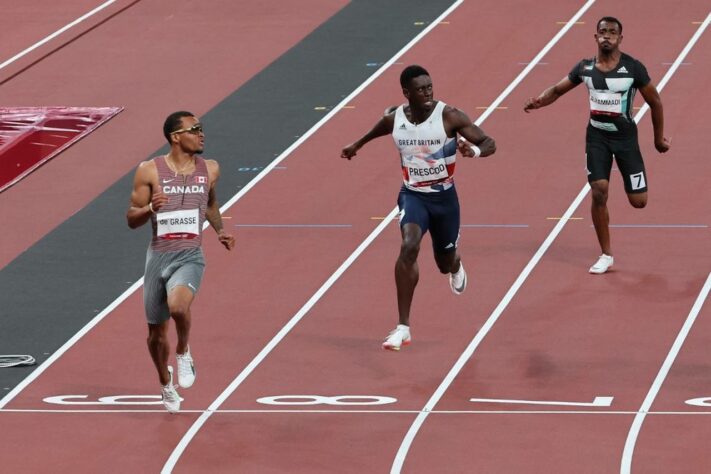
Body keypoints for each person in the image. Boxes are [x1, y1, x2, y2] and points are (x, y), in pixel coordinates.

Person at [341, 65, 496, 351]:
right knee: (408, 246)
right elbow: (381, 127)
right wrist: (357, 144)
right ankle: (403, 327)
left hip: (445, 200)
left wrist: (472, 151)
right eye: (420, 89)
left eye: (429, 87)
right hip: (413, 195)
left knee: (443, 262)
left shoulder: (449, 116)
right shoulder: (396, 117)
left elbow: (489, 143)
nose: (427, 92)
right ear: (406, 93)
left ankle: (456, 264)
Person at [524, 16, 670, 274]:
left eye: (612, 32)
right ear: (595, 37)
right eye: (602, 32)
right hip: (597, 138)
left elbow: (655, 102)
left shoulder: (633, 68)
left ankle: (632, 190)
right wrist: (540, 101)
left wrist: (658, 139)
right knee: (599, 191)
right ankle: (606, 254)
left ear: (620, 38)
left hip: (626, 141)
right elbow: (557, 90)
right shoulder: (585, 68)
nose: (607, 36)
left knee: (639, 202)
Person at [126, 111, 235, 412]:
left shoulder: (210, 169)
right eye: (195, 129)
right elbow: (131, 218)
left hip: (190, 255)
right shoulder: (149, 171)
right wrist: (150, 207)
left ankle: (184, 350)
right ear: (176, 137)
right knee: (155, 336)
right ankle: (165, 382)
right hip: (158, 256)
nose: (202, 134)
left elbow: (209, 202)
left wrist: (220, 229)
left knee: (178, 307)